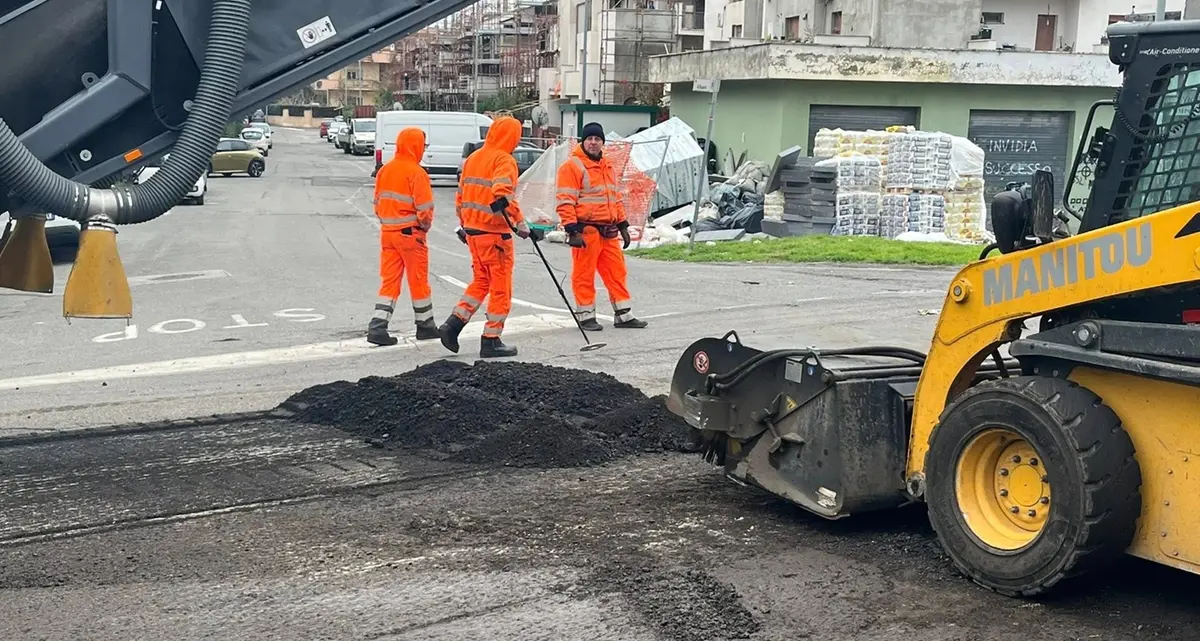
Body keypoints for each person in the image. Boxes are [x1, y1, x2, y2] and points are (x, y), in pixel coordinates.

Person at [437, 115, 531, 358]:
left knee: (481, 282)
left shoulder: (473, 158)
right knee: (500, 288)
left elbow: (461, 196)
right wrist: (521, 224)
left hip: (473, 233)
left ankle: (453, 325)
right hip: (494, 235)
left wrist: (464, 225)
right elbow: (502, 194)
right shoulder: (505, 160)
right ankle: (491, 339)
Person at [555, 122, 647, 331]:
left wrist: (623, 225)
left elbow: (615, 198)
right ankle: (586, 316)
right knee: (584, 274)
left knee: (617, 272)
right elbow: (565, 200)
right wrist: (571, 229)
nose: (594, 143)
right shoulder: (572, 166)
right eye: (590, 139)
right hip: (586, 230)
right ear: (583, 142)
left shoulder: (608, 166)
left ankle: (623, 314)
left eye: (597, 139)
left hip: (608, 230)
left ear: (602, 142)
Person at [367, 127, 438, 346]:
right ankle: (425, 326)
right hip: (410, 234)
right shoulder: (416, 173)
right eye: (423, 145)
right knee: (418, 281)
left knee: (389, 281)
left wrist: (389, 222)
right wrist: (424, 227)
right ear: (415, 146)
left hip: (388, 234)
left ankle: (377, 327)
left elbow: (377, 205)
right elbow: (425, 209)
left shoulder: (385, 170)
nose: (424, 150)